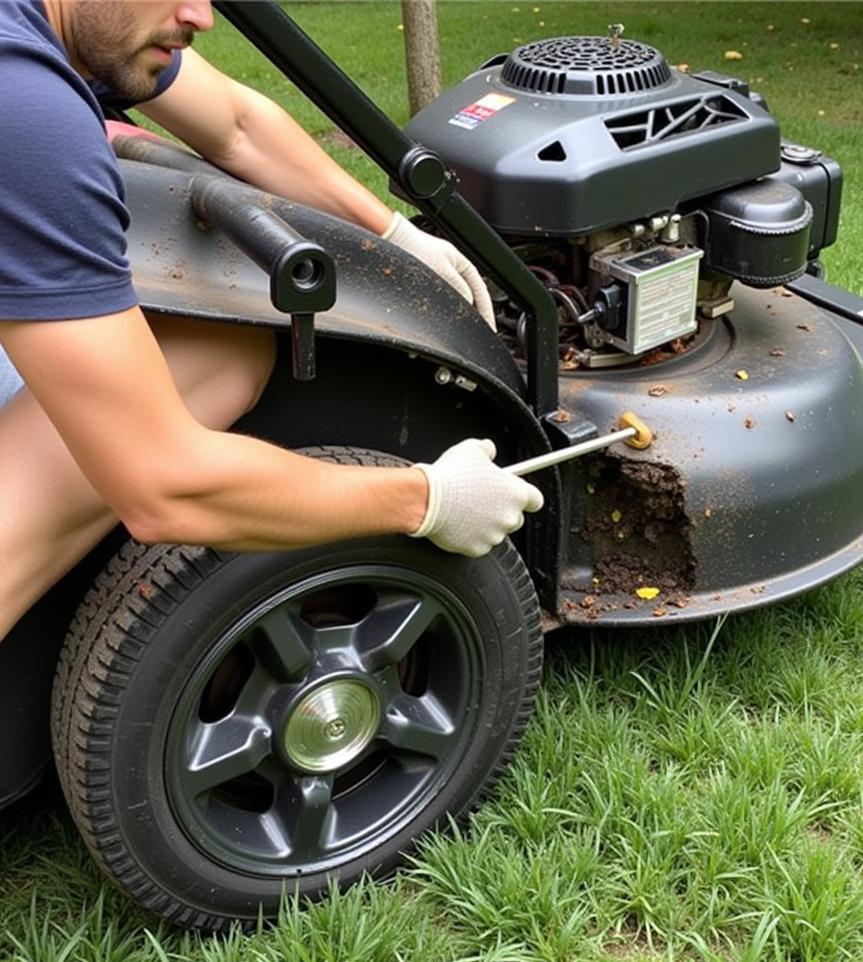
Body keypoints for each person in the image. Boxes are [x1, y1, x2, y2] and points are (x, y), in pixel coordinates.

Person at [0, 0, 543, 642]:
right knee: (202, 369)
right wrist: (427, 499)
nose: (202, 16)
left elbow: (237, 125)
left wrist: (394, 234)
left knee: (218, 357)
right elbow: (165, 485)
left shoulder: (78, 28)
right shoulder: (25, 103)